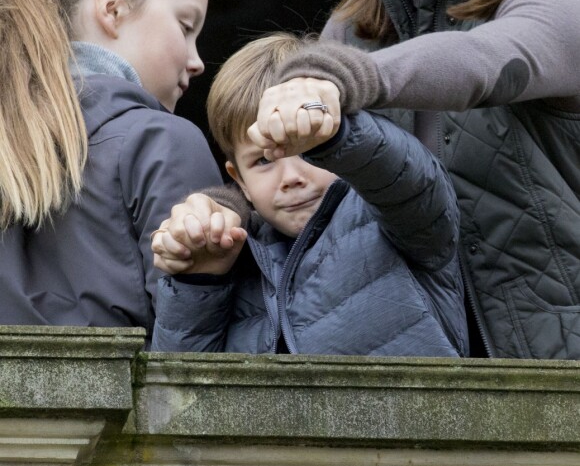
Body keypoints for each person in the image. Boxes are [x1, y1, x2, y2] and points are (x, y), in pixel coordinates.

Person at [216, 0, 580, 359]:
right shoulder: (352, 31)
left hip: (557, 382)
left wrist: (348, 79)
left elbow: (484, 62)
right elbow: (312, 208)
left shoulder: (558, 4)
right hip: (416, 392)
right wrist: (224, 209)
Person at [151, 33, 468, 357]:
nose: (291, 177)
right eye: (264, 160)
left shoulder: (392, 215)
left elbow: (411, 180)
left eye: (308, 149)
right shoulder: (238, 258)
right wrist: (201, 279)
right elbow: (179, 395)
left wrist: (343, 134)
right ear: (239, 180)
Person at [0, 0, 223, 338]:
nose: (197, 62)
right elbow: (190, 366)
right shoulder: (163, 141)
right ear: (112, 8)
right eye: (186, 26)